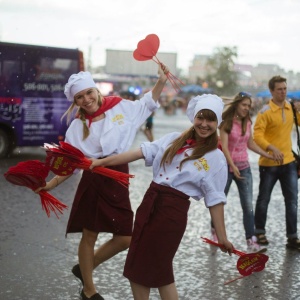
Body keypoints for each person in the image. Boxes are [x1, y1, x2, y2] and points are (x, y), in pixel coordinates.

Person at [35, 64, 169, 300]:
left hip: (119, 175)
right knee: (90, 235)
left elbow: (147, 104)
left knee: (126, 237)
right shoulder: (77, 127)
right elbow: (71, 164)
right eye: (79, 97)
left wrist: (161, 80)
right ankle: (89, 290)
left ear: (96, 90)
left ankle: (86, 268)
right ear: (75, 101)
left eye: (88, 93)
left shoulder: (121, 107)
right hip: (94, 179)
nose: (86, 99)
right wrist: (51, 184)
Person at [89, 94, 234, 300]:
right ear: (194, 117)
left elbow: (216, 200)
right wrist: (102, 162)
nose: (204, 124)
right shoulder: (174, 139)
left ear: (217, 122)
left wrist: (222, 237)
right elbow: (139, 152)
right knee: (140, 269)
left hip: (172, 213)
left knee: (156, 270)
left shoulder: (216, 158)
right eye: (200, 117)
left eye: (210, 119)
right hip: (150, 203)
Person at [211, 92, 273, 253]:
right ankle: (215, 231)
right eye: (244, 105)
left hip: (244, 167)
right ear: (237, 104)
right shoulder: (227, 123)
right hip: (226, 168)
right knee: (219, 201)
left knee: (247, 205)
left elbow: (250, 143)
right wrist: (233, 166)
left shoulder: (247, 121)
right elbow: (224, 147)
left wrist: (267, 154)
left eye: (248, 106)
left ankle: (251, 240)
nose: (247, 108)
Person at [253, 75, 300, 250]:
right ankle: (259, 232)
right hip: (268, 163)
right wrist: (271, 148)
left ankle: (292, 237)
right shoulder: (265, 112)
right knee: (264, 199)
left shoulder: (291, 109)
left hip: (289, 162)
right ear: (272, 91)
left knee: (292, 200)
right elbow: (257, 136)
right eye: (279, 89)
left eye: (285, 88)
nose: (283, 92)